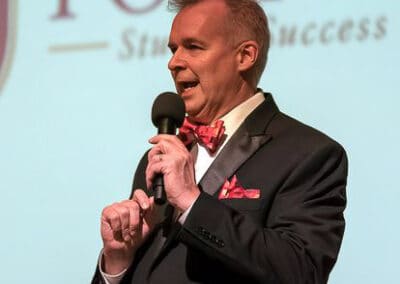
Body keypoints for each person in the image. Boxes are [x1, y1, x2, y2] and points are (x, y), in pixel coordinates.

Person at [91, 0, 347, 283]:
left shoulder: (309, 154)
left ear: (245, 56)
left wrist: (193, 202)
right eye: (174, 49)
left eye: (193, 47)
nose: (174, 62)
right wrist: (117, 261)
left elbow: (301, 270)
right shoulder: (160, 158)